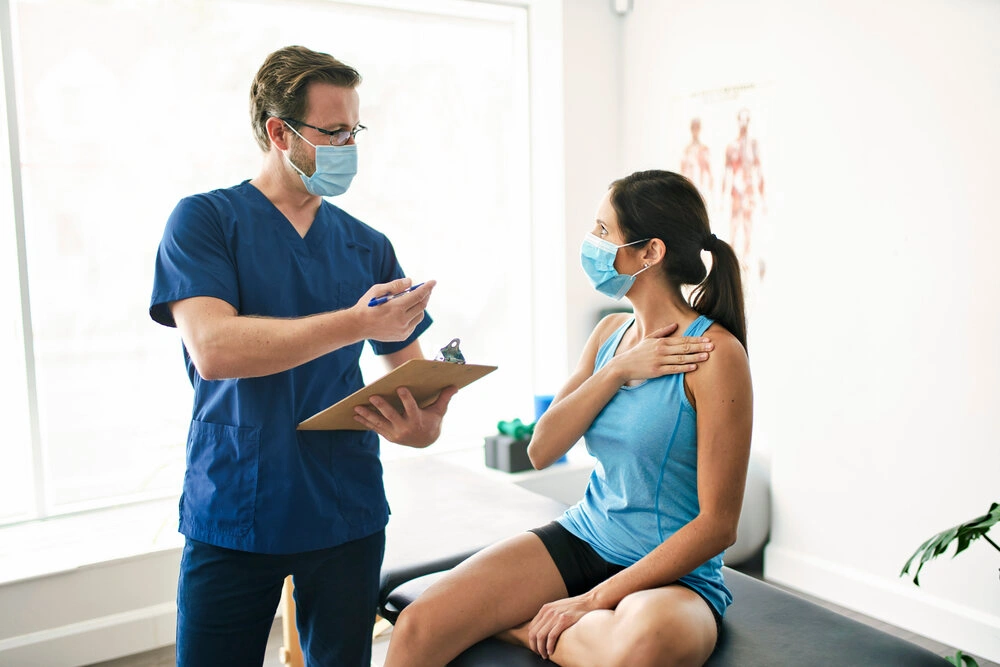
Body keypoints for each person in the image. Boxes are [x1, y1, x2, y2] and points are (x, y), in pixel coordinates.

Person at [149, 45, 457, 667]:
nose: (348, 145)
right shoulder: (204, 222)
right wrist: (352, 322)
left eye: (354, 130)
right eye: (333, 131)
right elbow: (215, 350)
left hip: (345, 508)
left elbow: (413, 388)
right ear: (278, 132)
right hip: (237, 503)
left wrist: (423, 425)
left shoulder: (367, 246)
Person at [384, 170, 752, 667]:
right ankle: (545, 625)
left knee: (637, 650)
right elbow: (541, 450)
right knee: (418, 627)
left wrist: (591, 600)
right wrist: (617, 371)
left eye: (604, 231)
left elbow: (718, 526)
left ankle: (520, 628)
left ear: (650, 252)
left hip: (673, 575)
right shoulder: (609, 335)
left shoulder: (714, 355)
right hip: (587, 537)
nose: (592, 244)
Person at [720, 107, 766, 279]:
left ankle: (745, 262)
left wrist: (762, 197)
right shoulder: (732, 146)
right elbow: (726, 172)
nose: (744, 123)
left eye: (746, 120)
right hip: (736, 191)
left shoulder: (753, 145)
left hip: (748, 189)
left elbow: (759, 169)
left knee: (747, 226)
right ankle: (731, 262)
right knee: (734, 225)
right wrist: (722, 197)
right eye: (741, 119)